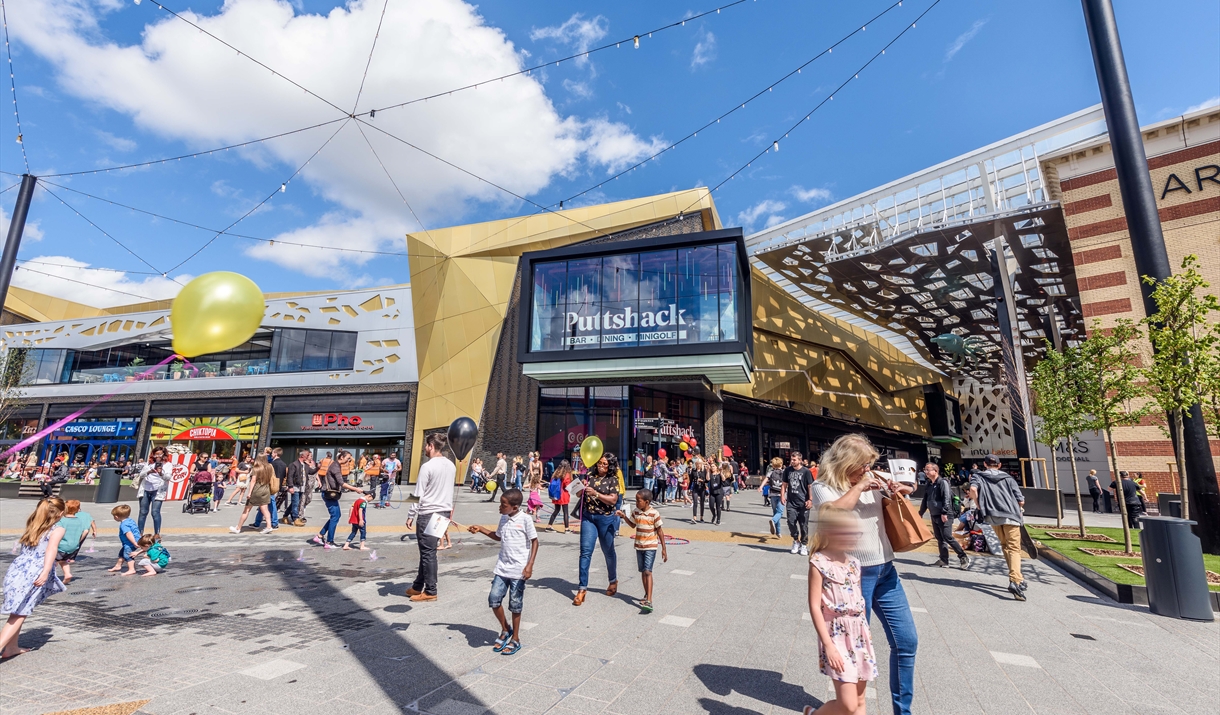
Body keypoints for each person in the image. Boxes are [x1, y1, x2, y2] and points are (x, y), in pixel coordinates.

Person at [811, 434, 917, 715]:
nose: (867, 470)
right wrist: (859, 487)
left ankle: (902, 711)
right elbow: (831, 513)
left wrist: (895, 484)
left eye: (870, 464)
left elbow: (911, 487)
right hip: (852, 578)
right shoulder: (823, 487)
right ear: (846, 463)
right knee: (854, 652)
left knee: (907, 641)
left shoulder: (872, 479)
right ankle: (851, 707)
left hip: (886, 568)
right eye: (863, 465)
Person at [802, 505, 877, 715]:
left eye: (856, 532)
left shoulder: (854, 563)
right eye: (848, 532)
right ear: (831, 532)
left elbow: (858, 602)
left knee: (860, 700)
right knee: (848, 705)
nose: (854, 537)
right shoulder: (819, 562)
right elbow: (815, 606)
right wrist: (828, 645)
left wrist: (866, 636)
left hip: (859, 634)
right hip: (835, 635)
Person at [467, 488, 538, 656]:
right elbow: (498, 536)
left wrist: (530, 565)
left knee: (515, 604)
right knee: (494, 599)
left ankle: (515, 638)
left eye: (503, 505)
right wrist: (481, 529)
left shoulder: (526, 519)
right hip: (502, 568)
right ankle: (505, 629)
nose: (500, 507)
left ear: (514, 507)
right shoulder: (504, 518)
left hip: (518, 571)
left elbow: (535, 542)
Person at [1, 498, 67, 660]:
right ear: (61, 513)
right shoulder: (57, 529)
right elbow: (51, 549)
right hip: (34, 572)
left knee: (19, 610)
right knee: (19, 614)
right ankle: (4, 645)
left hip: (18, 569)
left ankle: (12, 647)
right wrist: (45, 571)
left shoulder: (33, 524)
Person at [969, 454, 1027, 601]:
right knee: (1014, 548)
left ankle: (1018, 578)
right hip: (1011, 515)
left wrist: (979, 505)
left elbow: (973, 490)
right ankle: (1015, 581)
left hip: (993, 516)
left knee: (1005, 545)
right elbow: (1020, 501)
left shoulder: (979, 476)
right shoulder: (1008, 478)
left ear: (985, 464)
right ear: (999, 465)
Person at [406, 433, 456, 602]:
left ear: (431, 446)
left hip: (428, 513)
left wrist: (410, 514)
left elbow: (417, 493)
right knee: (428, 551)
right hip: (443, 513)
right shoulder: (451, 465)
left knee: (428, 553)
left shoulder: (427, 467)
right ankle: (418, 585)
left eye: (426, 446)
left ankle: (431, 590)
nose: (425, 449)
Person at [573, 453, 622, 606]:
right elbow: (577, 493)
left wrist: (596, 493)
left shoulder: (613, 480)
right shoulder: (589, 475)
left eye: (605, 464)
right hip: (588, 518)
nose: (601, 466)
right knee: (585, 552)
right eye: (600, 463)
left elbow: (613, 499)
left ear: (610, 466)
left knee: (608, 551)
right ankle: (582, 589)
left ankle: (613, 580)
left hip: (605, 519)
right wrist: (581, 487)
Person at [617, 488, 667, 613]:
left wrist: (664, 549)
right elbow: (633, 525)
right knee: (642, 572)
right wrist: (624, 517)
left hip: (651, 546)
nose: (636, 503)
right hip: (639, 546)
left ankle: (649, 601)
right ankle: (646, 595)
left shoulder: (654, 513)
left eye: (638, 501)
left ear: (647, 502)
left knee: (648, 571)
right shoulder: (636, 512)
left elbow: (660, 531)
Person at [918, 463, 970, 569]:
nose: (925, 472)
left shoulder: (943, 482)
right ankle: (944, 560)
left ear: (935, 471)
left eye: (928, 470)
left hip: (945, 514)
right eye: (925, 470)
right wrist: (921, 513)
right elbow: (925, 499)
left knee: (947, 536)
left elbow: (946, 498)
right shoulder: (929, 484)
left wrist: (945, 512)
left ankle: (963, 557)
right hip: (934, 514)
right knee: (939, 538)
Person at [313, 451, 363, 548]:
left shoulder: (336, 465)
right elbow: (342, 483)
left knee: (336, 515)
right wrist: (356, 489)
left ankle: (320, 535)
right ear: (341, 457)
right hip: (329, 494)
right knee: (335, 516)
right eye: (348, 458)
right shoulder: (335, 466)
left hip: (330, 494)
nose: (349, 460)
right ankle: (329, 542)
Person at [55, 500, 96, 584]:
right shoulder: (80, 521)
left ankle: (50, 576)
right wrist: (78, 541)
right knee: (63, 561)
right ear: (78, 510)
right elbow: (85, 531)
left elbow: (56, 532)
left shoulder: (62, 521)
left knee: (52, 560)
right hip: (73, 547)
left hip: (61, 546)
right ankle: (67, 574)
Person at [231, 458, 276, 535]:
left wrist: (249, 493)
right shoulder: (269, 468)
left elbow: (253, 481)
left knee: (246, 510)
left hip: (256, 490)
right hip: (266, 490)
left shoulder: (256, 469)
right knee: (265, 509)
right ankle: (269, 526)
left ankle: (238, 528)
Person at [782, 452, 815, 555]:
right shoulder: (787, 470)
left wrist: (810, 499)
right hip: (791, 502)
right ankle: (796, 541)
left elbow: (810, 486)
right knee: (791, 522)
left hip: (803, 503)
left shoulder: (806, 472)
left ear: (800, 460)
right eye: (791, 460)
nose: (792, 461)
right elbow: (784, 484)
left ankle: (804, 544)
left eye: (794, 460)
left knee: (803, 525)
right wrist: (782, 496)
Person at [135, 447, 171, 536]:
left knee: (155, 512)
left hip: (158, 490)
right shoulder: (149, 464)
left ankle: (157, 533)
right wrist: (149, 471)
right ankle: (140, 533)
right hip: (146, 489)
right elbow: (141, 475)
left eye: (160, 454)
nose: (158, 456)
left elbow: (168, 477)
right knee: (143, 512)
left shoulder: (168, 464)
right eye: (156, 454)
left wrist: (161, 473)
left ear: (164, 454)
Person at [253, 448, 286, 530]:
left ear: (275, 453)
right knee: (264, 504)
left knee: (270, 504)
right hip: (277, 485)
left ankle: (274, 523)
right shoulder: (283, 464)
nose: (271, 454)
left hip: (269, 486)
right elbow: (284, 476)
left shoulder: (272, 464)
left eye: (272, 453)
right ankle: (258, 522)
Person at [107, 504, 142, 575]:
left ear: (116, 517)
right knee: (122, 553)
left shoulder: (124, 525)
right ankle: (118, 565)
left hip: (130, 542)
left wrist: (134, 543)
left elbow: (129, 534)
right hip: (131, 541)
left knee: (127, 555)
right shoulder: (130, 520)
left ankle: (132, 569)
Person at [284, 449, 315, 526]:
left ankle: (285, 516)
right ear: (302, 455)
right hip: (295, 486)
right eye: (307, 455)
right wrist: (290, 486)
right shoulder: (294, 464)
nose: (308, 457)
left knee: (294, 502)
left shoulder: (305, 465)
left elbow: (311, 472)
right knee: (296, 503)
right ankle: (295, 519)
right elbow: (290, 476)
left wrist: (318, 467)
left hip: (302, 487)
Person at [762, 457, 786, 538]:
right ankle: (773, 521)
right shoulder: (784, 472)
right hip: (781, 494)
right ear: (781, 464)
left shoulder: (771, 472)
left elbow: (766, 479)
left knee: (776, 513)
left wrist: (761, 486)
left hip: (772, 494)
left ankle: (778, 532)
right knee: (779, 513)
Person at [546, 460, 573, 532]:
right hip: (563, 495)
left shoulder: (556, 473)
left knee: (556, 510)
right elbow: (567, 485)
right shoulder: (566, 474)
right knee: (565, 512)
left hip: (556, 494)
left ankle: (549, 526)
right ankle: (567, 528)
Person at [689, 457, 708, 523]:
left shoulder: (704, 471)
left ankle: (701, 517)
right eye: (697, 463)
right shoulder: (693, 471)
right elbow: (691, 480)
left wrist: (702, 481)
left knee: (702, 503)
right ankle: (694, 517)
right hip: (695, 488)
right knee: (695, 502)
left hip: (702, 488)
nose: (698, 465)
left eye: (699, 464)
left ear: (701, 464)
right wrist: (689, 489)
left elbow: (707, 480)